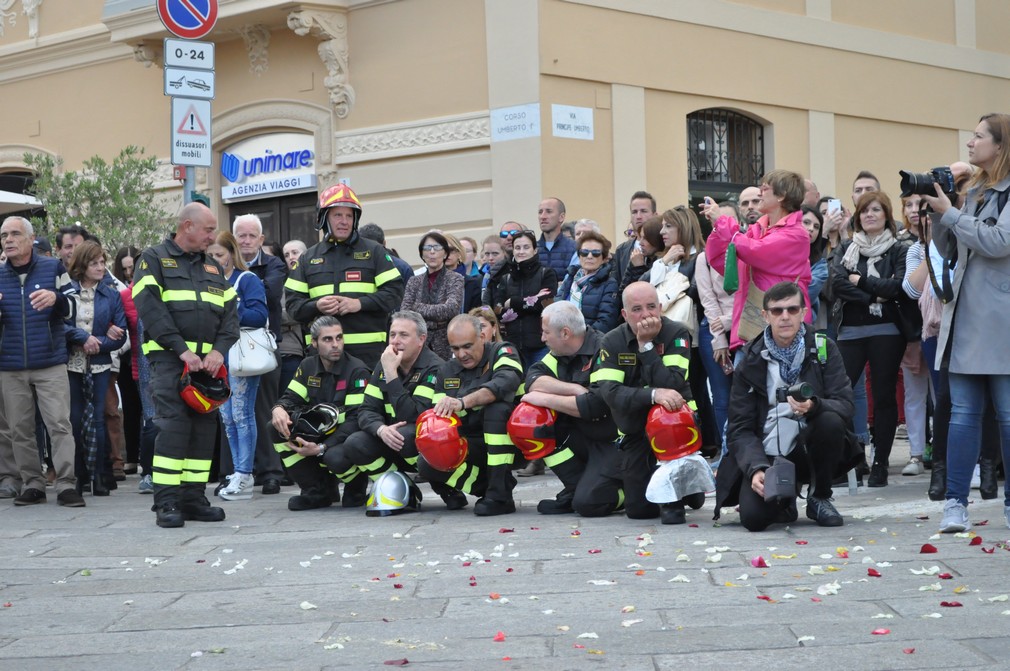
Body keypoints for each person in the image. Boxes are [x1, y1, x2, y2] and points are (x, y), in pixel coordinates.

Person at [924, 113, 1010, 533]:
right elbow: (951, 247)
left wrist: (954, 215)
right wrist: (942, 211)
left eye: (978, 137)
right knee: (960, 416)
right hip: (963, 318)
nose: (970, 144)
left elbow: (998, 241)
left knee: (1008, 417)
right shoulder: (974, 191)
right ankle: (955, 504)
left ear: (1000, 145)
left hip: (1001, 322)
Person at [714, 282, 858, 530]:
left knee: (830, 420)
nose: (785, 317)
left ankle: (819, 496)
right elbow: (740, 428)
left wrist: (814, 406)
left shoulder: (823, 348)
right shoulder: (750, 359)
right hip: (768, 450)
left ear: (803, 312)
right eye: (777, 311)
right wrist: (756, 468)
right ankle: (785, 500)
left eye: (792, 310)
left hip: (809, 446)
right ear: (765, 315)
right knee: (753, 520)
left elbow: (845, 405)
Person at [132, 203, 239, 527]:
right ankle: (167, 502)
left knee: (203, 431)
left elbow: (230, 316)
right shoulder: (153, 260)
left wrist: (219, 352)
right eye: (208, 230)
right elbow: (150, 310)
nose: (212, 237)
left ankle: (193, 498)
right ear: (187, 226)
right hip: (170, 362)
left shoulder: (212, 267)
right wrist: (182, 351)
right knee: (173, 429)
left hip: (207, 367)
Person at [327, 311, 467, 507]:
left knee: (408, 435)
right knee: (354, 443)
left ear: (421, 339)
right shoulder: (384, 364)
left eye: (403, 335)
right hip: (388, 437)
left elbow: (414, 416)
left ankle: (445, 486)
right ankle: (404, 488)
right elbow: (366, 410)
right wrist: (381, 429)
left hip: (419, 442)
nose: (395, 341)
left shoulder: (435, 368)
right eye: (392, 335)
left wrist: (391, 374)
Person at [591, 282, 700, 524]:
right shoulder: (611, 341)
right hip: (636, 429)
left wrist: (646, 346)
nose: (646, 315)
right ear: (624, 314)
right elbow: (610, 392)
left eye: (651, 307)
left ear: (660, 307)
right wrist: (652, 395)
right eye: (637, 309)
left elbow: (672, 383)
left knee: (668, 414)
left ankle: (686, 491)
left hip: (676, 427)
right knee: (640, 511)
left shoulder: (676, 334)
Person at [0, 216, 84, 507]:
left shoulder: (53, 268)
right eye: (3, 236)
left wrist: (56, 298)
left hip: (49, 362)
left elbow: (74, 305)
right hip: (10, 365)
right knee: (19, 429)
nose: (8, 240)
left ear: (30, 239)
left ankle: (65, 484)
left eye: (14, 234)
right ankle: (33, 484)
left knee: (59, 424)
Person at [830, 191, 910, 488]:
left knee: (884, 396)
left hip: (887, 330)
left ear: (886, 214)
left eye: (876, 210)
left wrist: (861, 281)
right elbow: (837, 284)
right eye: (864, 211)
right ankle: (849, 457)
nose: (870, 215)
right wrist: (874, 294)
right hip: (849, 331)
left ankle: (881, 463)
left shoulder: (900, 249)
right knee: (840, 394)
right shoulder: (848, 248)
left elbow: (896, 287)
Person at [285, 184, 404, 370]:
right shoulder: (308, 258)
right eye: (338, 215)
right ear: (324, 218)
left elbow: (395, 293)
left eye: (349, 215)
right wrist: (316, 305)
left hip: (368, 355)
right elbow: (293, 306)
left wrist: (359, 304)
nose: (344, 221)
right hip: (322, 358)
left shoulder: (375, 252)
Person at [418, 314, 524, 516]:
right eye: (455, 348)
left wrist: (463, 402)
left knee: (496, 409)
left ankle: (497, 495)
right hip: (471, 441)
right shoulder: (447, 370)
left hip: (511, 442)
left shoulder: (503, 352)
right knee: (427, 463)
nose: (462, 354)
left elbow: (505, 383)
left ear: (482, 337)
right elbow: (439, 417)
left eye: (467, 346)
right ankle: (493, 490)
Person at [523, 301, 619, 515]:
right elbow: (532, 379)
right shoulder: (559, 352)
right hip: (581, 434)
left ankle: (628, 492)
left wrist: (545, 399)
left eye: (546, 332)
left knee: (589, 505)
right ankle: (574, 487)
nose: (542, 338)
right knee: (530, 422)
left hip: (610, 442)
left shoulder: (605, 349)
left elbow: (595, 405)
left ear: (565, 333)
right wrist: (574, 389)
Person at [703, 170, 813, 355]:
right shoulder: (757, 230)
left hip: (783, 331)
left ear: (782, 195)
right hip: (751, 329)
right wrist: (717, 227)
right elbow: (723, 264)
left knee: (781, 385)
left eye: (764, 188)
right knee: (744, 385)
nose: (759, 193)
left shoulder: (796, 234)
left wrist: (722, 222)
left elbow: (755, 251)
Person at [270, 316, 371, 511]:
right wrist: (278, 409)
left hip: (345, 438)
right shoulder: (308, 366)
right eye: (328, 339)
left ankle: (356, 486)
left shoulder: (357, 370)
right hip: (320, 433)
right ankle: (317, 490)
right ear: (314, 342)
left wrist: (321, 448)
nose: (335, 345)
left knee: (333, 456)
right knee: (275, 427)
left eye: (339, 338)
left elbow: (355, 420)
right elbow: (291, 397)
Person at [208, 231, 269, 502]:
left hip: (241, 352)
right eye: (210, 256)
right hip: (219, 355)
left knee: (242, 415)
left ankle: (244, 472)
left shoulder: (247, 279)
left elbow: (260, 316)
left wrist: (229, 308)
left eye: (219, 255)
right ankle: (239, 471)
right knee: (228, 418)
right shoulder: (208, 281)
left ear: (231, 254)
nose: (214, 260)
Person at [232, 214, 289, 495]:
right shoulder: (223, 265)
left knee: (265, 408)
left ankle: (270, 472)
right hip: (229, 347)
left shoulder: (274, 264)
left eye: (251, 235)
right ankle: (236, 470)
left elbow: (268, 293)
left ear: (261, 240)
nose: (246, 240)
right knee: (232, 412)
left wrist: (237, 294)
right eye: (241, 235)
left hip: (263, 348)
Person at [65, 240, 127, 496]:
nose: (101, 267)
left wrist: (98, 342)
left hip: (101, 364)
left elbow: (121, 334)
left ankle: (101, 475)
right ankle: (79, 475)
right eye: (94, 263)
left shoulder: (111, 293)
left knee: (99, 418)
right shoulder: (67, 291)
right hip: (71, 364)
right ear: (82, 265)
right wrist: (83, 337)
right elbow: (59, 325)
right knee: (76, 419)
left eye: (102, 262)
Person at [487, 230, 557, 366]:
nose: (521, 251)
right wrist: (532, 300)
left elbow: (545, 306)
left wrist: (513, 302)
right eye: (517, 248)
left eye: (526, 247)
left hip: (540, 345)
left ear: (535, 250)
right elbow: (497, 311)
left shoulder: (546, 273)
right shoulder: (505, 278)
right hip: (513, 346)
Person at [896, 194, 930, 477]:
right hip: (916, 330)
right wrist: (929, 249)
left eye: (923, 205)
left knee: (945, 395)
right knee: (915, 394)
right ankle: (916, 454)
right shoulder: (912, 249)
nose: (917, 211)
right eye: (910, 205)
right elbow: (910, 289)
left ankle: (943, 452)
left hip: (949, 331)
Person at [400, 231, 464, 360]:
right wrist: (436, 315)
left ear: (445, 253)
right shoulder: (414, 281)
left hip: (445, 342)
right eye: (428, 248)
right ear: (422, 254)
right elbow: (405, 311)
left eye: (437, 248)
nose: (432, 252)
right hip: (417, 342)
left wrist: (417, 307)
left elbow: (451, 309)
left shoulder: (455, 278)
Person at [556, 231, 620, 334]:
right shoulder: (570, 278)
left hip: (589, 342)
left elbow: (605, 322)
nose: (589, 256)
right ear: (579, 255)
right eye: (584, 252)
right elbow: (556, 308)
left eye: (595, 253)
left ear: (604, 259)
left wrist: (578, 337)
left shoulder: (609, 284)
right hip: (562, 338)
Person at [613, 191, 656, 286]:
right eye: (634, 212)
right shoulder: (622, 250)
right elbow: (616, 284)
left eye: (644, 211)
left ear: (655, 215)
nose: (638, 216)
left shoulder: (662, 245)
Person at [536, 197, 577, 279]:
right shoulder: (532, 249)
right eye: (540, 212)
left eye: (549, 211)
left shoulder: (574, 248)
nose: (543, 216)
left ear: (561, 217)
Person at [801, 205, 828, 325]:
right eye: (806, 222)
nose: (811, 228)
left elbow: (804, 296)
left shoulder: (820, 265)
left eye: (816, 227)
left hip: (803, 324)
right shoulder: (779, 252)